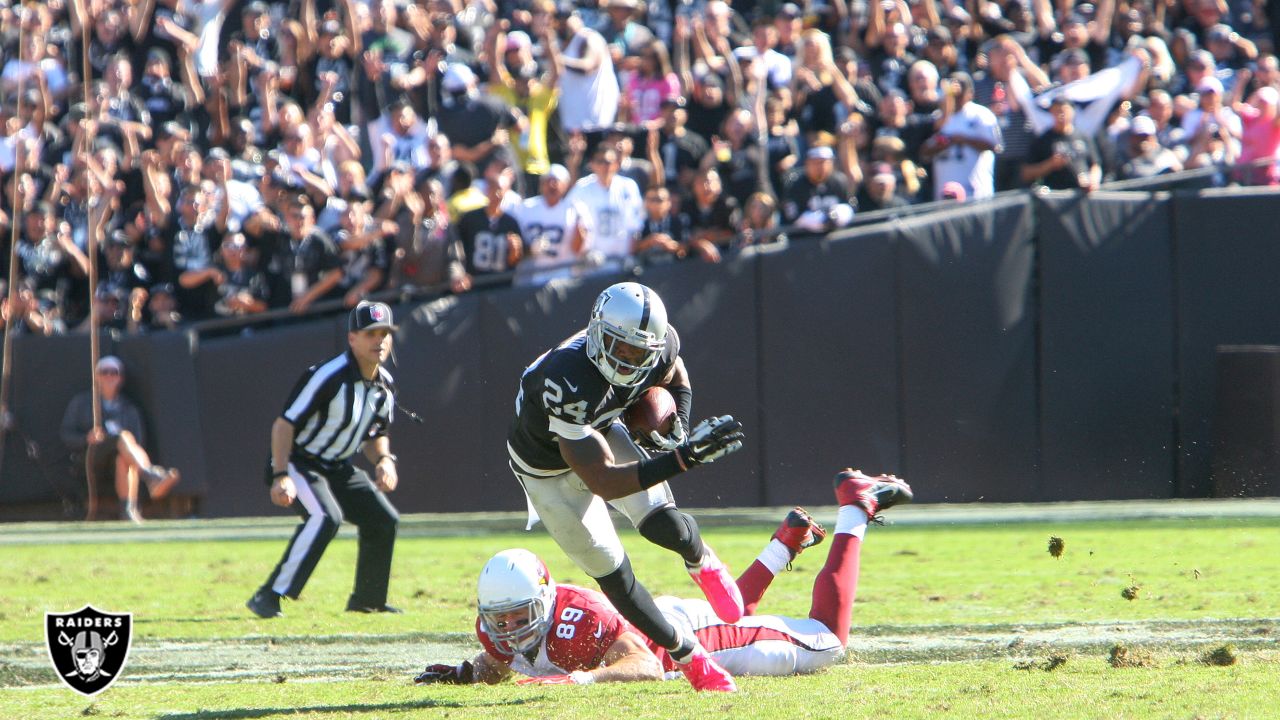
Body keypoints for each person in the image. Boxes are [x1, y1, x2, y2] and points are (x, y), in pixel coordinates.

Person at [413, 469, 913, 686]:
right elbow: (499, 660)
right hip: (667, 620)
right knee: (733, 606)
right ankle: (783, 544)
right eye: (499, 620)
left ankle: (856, 505)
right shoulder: (502, 627)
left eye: (518, 616)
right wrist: (466, 673)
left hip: (691, 644)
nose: (508, 629)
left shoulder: (578, 619)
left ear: (543, 602)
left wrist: (582, 682)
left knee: (828, 641)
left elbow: (646, 668)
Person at [503, 282, 747, 691]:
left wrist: (679, 429)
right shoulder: (566, 379)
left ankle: (700, 559)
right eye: (620, 348)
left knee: (662, 525)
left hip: (598, 427)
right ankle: (690, 657)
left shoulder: (660, 347)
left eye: (639, 352)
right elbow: (603, 481)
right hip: (546, 468)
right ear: (597, 332)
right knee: (614, 574)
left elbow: (674, 372)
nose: (630, 360)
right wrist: (683, 458)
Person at [246, 301, 404, 619]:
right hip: (298, 461)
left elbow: (374, 435)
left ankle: (368, 601)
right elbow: (284, 424)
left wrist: (384, 460)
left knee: (384, 519)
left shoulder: (384, 385)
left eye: (385, 333)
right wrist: (280, 475)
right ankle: (269, 595)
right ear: (352, 339)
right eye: (371, 333)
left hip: (337, 466)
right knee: (324, 518)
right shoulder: (328, 376)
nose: (379, 341)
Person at [60, 356, 181, 523]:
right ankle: (150, 475)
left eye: (114, 372)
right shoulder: (81, 403)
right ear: (96, 376)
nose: (109, 376)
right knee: (123, 437)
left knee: (123, 456)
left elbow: (137, 444)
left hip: (120, 462)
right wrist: (86, 438)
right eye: (104, 372)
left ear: (121, 378)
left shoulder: (129, 409)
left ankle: (128, 511)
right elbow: (66, 434)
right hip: (90, 459)